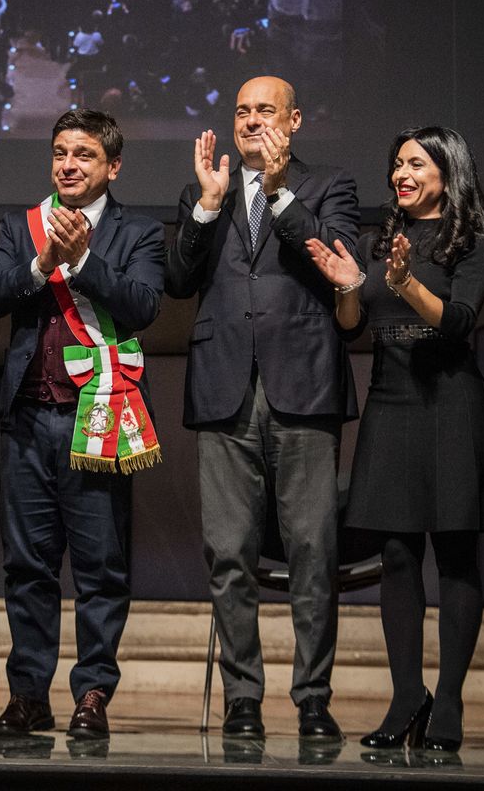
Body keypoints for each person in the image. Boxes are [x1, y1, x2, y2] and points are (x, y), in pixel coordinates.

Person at [306, 127, 484, 754]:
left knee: (454, 554)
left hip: (450, 403)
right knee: (397, 555)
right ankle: (407, 695)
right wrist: (349, 287)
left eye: (416, 163)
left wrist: (404, 283)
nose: (401, 173)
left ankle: (448, 700)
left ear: (447, 174)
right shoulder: (382, 240)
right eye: (396, 162)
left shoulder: (470, 240)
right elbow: (353, 329)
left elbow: (457, 323)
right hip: (391, 401)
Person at [166, 76, 359, 741]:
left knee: (311, 549)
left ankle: (312, 697)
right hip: (223, 387)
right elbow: (178, 280)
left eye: (265, 111)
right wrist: (203, 213)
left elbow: (335, 260)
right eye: (242, 110)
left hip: (302, 384)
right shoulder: (205, 189)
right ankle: (242, 697)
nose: (251, 122)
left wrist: (277, 191)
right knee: (227, 553)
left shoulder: (328, 184)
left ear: (295, 120)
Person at [0, 109, 165, 740]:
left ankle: (92, 694)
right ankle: (29, 695)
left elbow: (142, 307)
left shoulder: (138, 231)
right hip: (29, 419)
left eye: (84, 155)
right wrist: (42, 262)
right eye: (60, 153)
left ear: (112, 166)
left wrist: (83, 262)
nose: (69, 165)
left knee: (99, 565)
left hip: (101, 416)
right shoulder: (19, 225)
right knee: (27, 567)